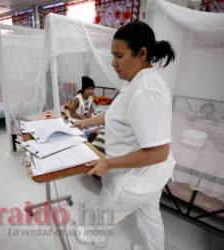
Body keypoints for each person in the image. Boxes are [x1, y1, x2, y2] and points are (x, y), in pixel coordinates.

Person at [75, 21, 176, 250]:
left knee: (102, 212)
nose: (113, 63)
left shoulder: (145, 89)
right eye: (112, 55)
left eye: (118, 56)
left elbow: (159, 152)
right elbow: (115, 114)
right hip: (151, 175)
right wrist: (85, 122)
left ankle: (94, 238)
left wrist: (108, 163)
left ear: (142, 54)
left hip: (134, 177)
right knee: (150, 218)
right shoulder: (136, 80)